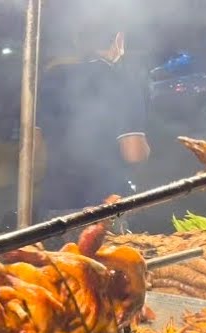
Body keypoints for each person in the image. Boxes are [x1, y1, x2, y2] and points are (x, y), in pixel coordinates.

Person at [36, 28, 150, 219]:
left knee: (53, 250)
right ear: (119, 40)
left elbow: (33, 149)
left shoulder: (52, 78)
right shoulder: (122, 82)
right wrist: (146, 150)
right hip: (104, 207)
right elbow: (134, 153)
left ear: (78, 40)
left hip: (53, 205)